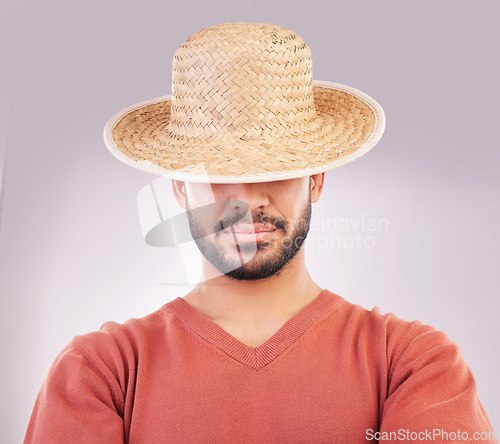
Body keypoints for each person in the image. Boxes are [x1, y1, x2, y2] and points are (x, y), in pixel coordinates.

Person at [24, 22, 496, 443]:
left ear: (316, 180)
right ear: (179, 188)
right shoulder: (100, 373)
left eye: (275, 168)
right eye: (220, 172)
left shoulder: (411, 364)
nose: (248, 200)